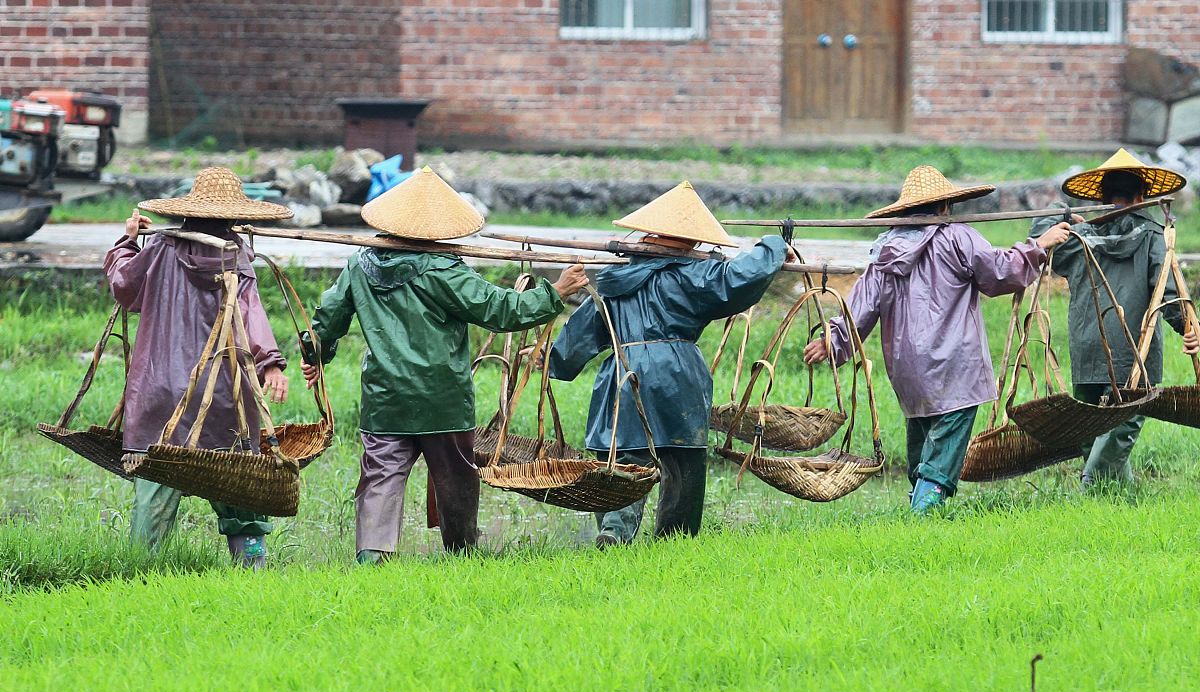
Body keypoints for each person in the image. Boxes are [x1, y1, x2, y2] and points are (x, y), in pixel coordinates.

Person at [302, 167, 589, 564]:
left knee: (380, 478)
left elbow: (327, 319)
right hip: (444, 398)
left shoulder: (360, 266)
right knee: (456, 479)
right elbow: (499, 309)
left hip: (385, 398)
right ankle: (462, 553)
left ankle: (372, 555)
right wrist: (555, 291)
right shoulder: (445, 270)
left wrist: (315, 355)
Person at [804, 165, 1072, 514]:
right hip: (956, 365)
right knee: (945, 447)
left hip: (907, 368)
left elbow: (861, 307)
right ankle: (923, 514)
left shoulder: (884, 250)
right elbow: (1000, 273)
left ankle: (919, 502)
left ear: (905, 211)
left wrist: (834, 339)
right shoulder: (959, 237)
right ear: (945, 207)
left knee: (923, 434)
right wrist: (1039, 246)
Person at [548, 181, 792, 546]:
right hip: (677, 374)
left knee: (623, 456)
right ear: (690, 241)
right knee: (683, 461)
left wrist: (555, 362)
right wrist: (774, 246)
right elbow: (740, 275)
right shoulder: (695, 276)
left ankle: (615, 529)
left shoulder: (614, 282)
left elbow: (583, 330)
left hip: (623, 373)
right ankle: (675, 541)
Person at [103, 167, 292, 568]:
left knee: (156, 483)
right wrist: (270, 365)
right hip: (221, 396)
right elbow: (251, 315)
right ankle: (252, 566)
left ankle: (140, 571)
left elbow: (124, 286)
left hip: (159, 393)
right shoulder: (237, 256)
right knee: (239, 485)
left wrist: (127, 242)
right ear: (233, 218)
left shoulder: (159, 248)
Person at [1030, 149, 1196, 488]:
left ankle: (1118, 496)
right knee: (1122, 423)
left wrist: (1068, 213)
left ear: (1103, 199)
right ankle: (1092, 487)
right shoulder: (1153, 236)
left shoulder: (1079, 238)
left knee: (1093, 427)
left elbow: (1040, 233)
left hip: (1088, 347)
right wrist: (1188, 328)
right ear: (1141, 197)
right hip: (1133, 350)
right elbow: (1168, 292)